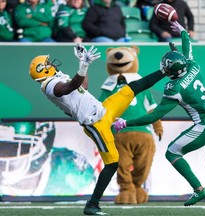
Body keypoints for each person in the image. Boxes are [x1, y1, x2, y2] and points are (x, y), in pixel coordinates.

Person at [113, 21, 205, 215]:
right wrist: (184, 32)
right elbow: (188, 50)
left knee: (171, 152)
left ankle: (199, 190)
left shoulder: (173, 89)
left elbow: (155, 115)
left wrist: (126, 122)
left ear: (169, 70)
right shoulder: (193, 67)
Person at [28, 43, 165, 215]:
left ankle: (164, 71)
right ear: (44, 70)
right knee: (113, 163)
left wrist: (83, 65)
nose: (52, 65)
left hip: (104, 110)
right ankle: (92, 205)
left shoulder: (56, 80)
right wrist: (83, 66)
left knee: (132, 88)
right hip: (95, 123)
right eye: (48, 64)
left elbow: (82, 87)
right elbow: (69, 87)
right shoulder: (49, 85)